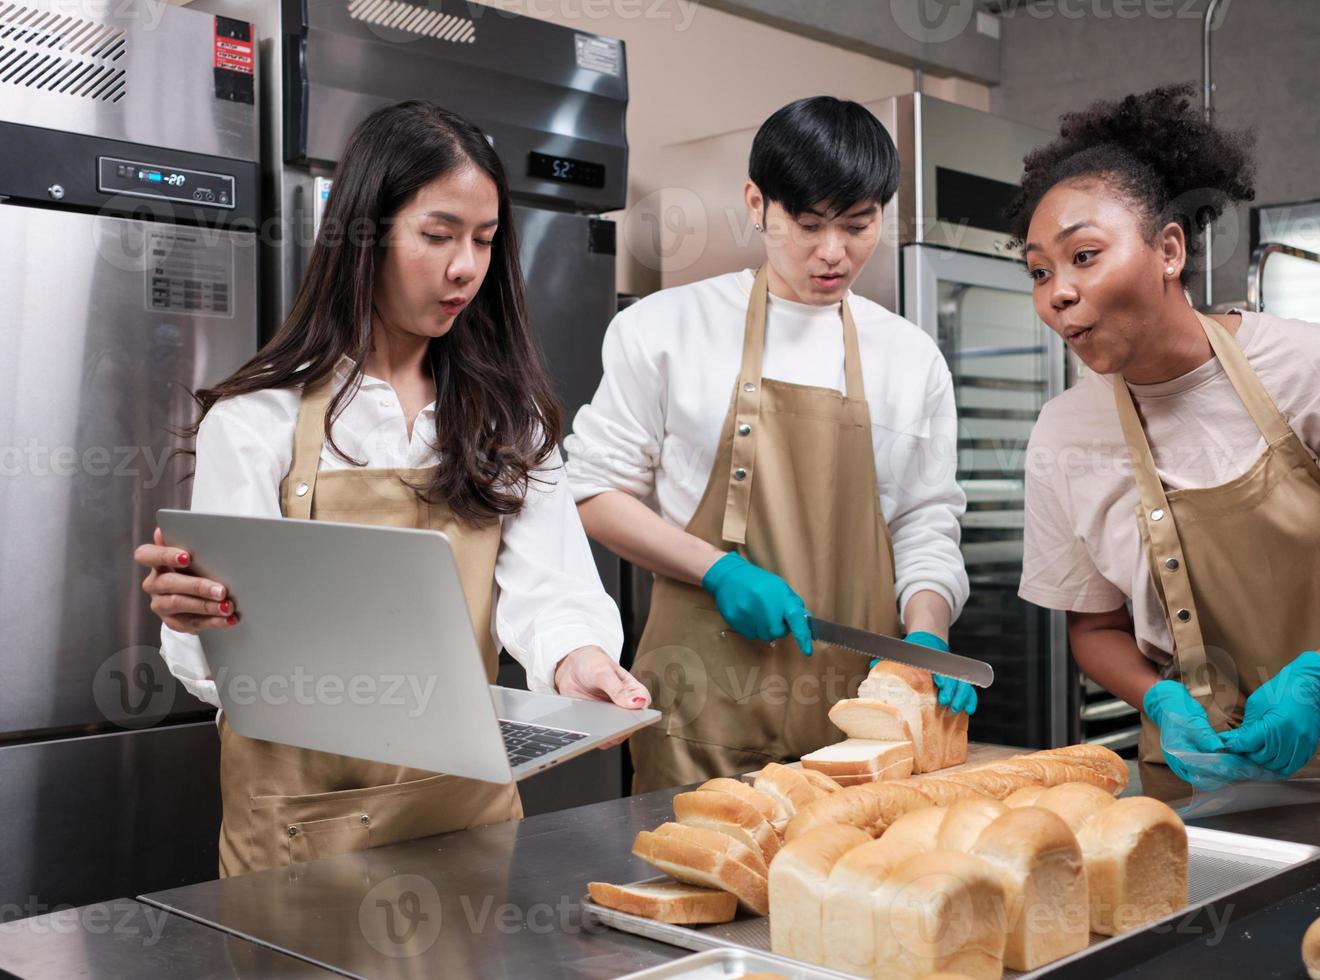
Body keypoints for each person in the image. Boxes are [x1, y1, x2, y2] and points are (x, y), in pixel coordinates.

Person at [133, 100, 649, 875]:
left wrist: (579, 661)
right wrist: (195, 618)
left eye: (483, 240)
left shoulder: (508, 419)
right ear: (363, 237)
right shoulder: (254, 420)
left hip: (463, 809)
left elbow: (550, 589)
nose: (465, 268)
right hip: (302, 826)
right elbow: (217, 664)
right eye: (438, 236)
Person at [1013, 84, 1320, 793]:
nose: (1057, 292)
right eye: (1039, 271)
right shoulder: (1063, 433)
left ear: (1168, 249)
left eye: (1085, 256)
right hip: (1198, 782)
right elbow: (1093, 629)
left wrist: (1319, 679)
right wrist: (1156, 698)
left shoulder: (1313, 369)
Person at [565, 96, 973, 793]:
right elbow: (595, 495)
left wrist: (924, 635)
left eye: (858, 224)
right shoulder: (666, 329)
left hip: (862, 722)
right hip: (703, 714)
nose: (832, 252)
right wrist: (717, 570)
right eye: (808, 225)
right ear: (757, 204)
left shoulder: (911, 357)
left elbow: (925, 521)